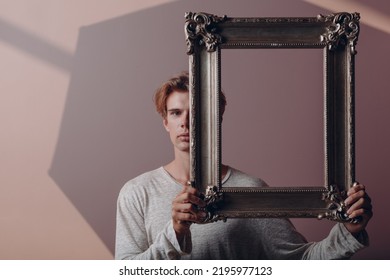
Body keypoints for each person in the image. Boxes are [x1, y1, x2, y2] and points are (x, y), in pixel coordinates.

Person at [115, 72, 373, 259]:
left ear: (215, 119)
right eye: (175, 113)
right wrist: (175, 231)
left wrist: (348, 231)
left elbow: (302, 262)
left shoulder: (248, 188)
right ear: (165, 122)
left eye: (195, 113)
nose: (185, 123)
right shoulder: (137, 193)